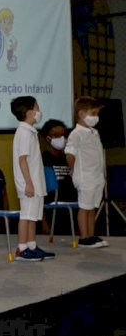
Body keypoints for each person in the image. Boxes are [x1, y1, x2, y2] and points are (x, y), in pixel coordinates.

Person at [10, 96, 54, 261]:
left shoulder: (30, 131)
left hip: (35, 182)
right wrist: (28, 183)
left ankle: (32, 246)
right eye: (37, 107)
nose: (39, 111)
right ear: (29, 112)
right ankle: (22, 249)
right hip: (29, 184)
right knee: (26, 216)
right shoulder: (24, 133)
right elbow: (22, 160)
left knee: (33, 216)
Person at [66, 96, 108, 248]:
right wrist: (73, 170)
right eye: (94, 113)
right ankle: (84, 237)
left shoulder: (94, 132)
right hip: (85, 176)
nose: (96, 117)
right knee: (85, 207)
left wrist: (102, 175)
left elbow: (98, 156)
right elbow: (70, 154)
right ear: (82, 113)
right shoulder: (76, 134)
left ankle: (91, 235)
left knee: (92, 207)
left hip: (96, 176)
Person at [40, 119, 77, 234]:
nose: (60, 138)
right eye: (56, 135)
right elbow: (39, 193)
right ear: (47, 138)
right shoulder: (42, 159)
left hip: (72, 210)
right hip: (51, 211)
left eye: (63, 135)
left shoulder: (70, 158)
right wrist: (44, 222)